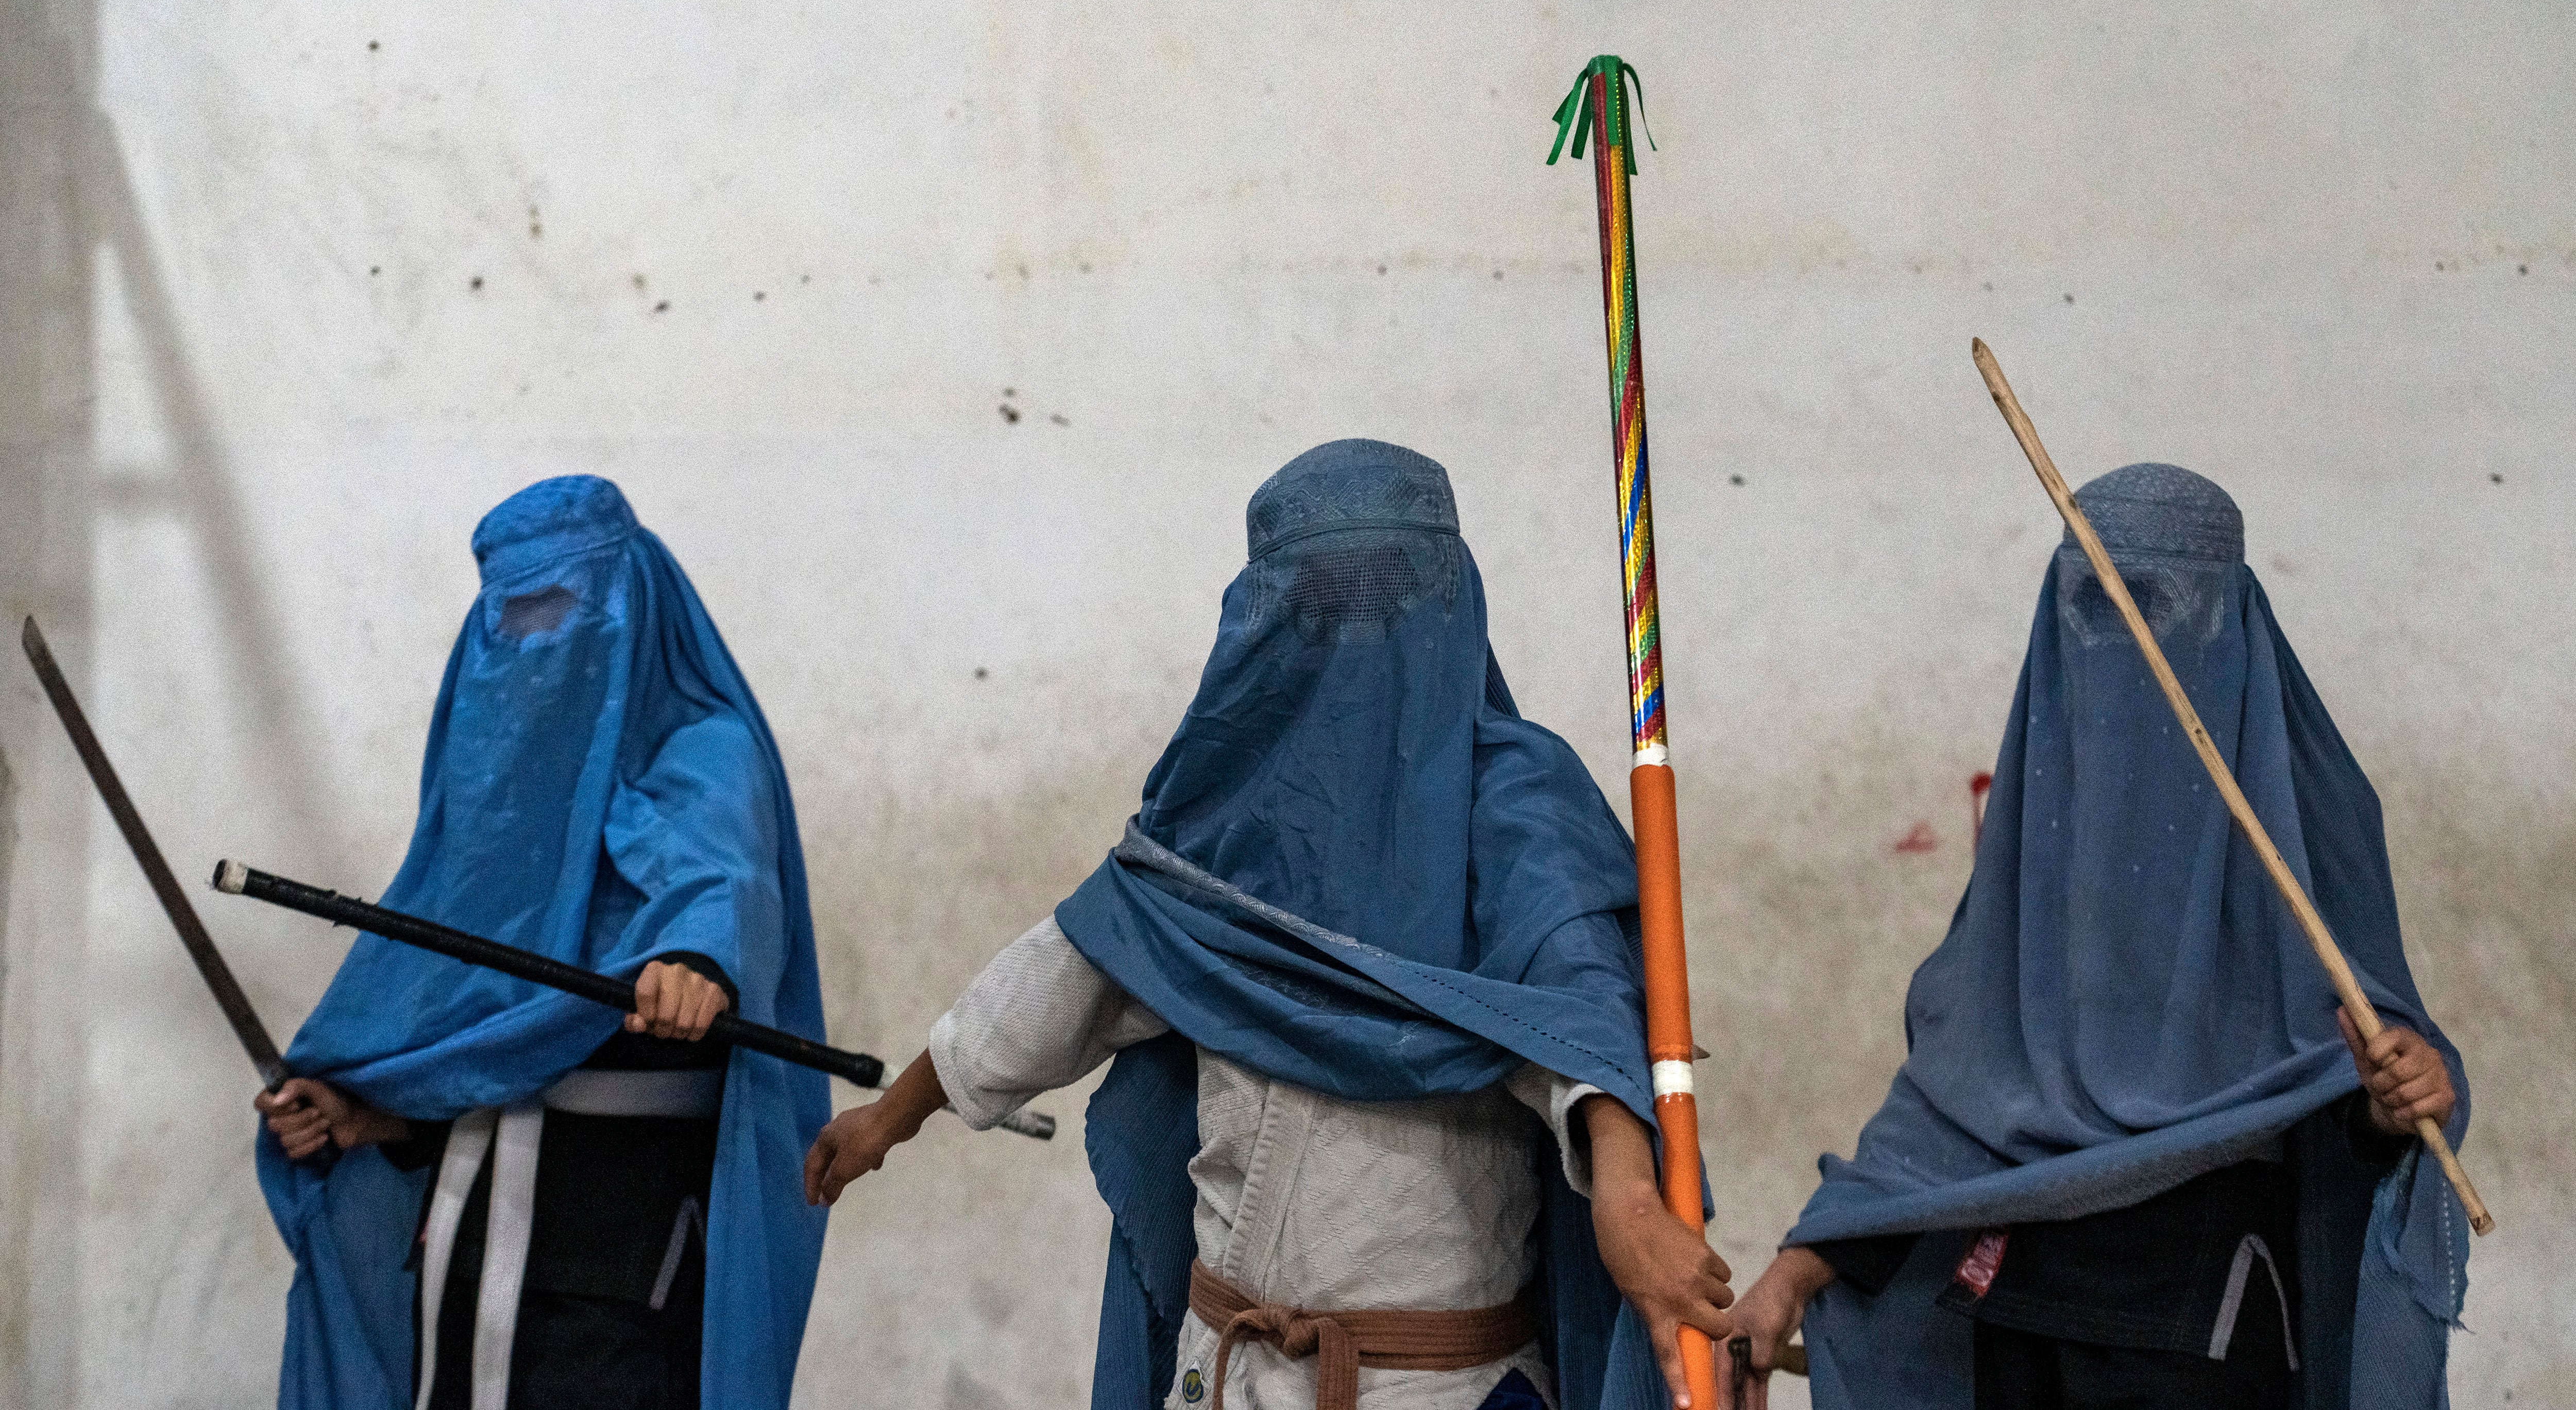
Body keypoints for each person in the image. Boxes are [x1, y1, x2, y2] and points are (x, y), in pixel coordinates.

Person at [805, 439, 1734, 1410]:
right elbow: (1070, 971)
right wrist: (892, 1113)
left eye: (1390, 601)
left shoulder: (1514, 812)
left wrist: (1628, 1197)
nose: (1358, 638)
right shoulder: (1217, 817)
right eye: (1327, 605)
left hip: (1440, 1388)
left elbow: (1581, 1025)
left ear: (1446, 610)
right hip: (1227, 1373)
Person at [1721, 464, 2469, 1410]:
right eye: (2090, 605)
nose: (2122, 643)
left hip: (2214, 1318)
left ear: (2232, 625)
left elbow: (2368, 1070)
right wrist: (1791, 1276)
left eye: (2156, 604)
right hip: (2021, 1313)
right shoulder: (2043, 850)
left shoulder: (2308, 821)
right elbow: (1957, 1098)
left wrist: (2396, 1097)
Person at [250, 474, 832, 1410]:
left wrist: (696, 962)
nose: (536, 639)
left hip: (621, 1258)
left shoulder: (705, 752)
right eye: (510, 617)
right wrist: (381, 1115)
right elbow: (480, 1022)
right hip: (465, 1244)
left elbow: (721, 885)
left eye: (564, 606)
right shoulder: (500, 783)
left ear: (633, 605)